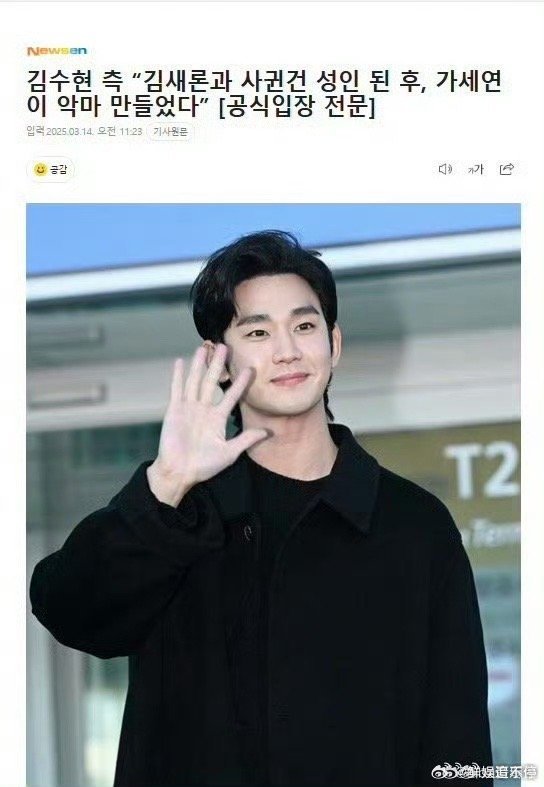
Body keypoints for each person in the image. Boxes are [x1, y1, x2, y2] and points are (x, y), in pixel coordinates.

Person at [30, 230, 493, 786]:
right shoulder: (180, 513)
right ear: (219, 359)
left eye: (304, 326)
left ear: (334, 344)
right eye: (258, 331)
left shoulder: (413, 526)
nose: (287, 350)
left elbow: (459, 746)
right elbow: (69, 611)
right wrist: (167, 482)